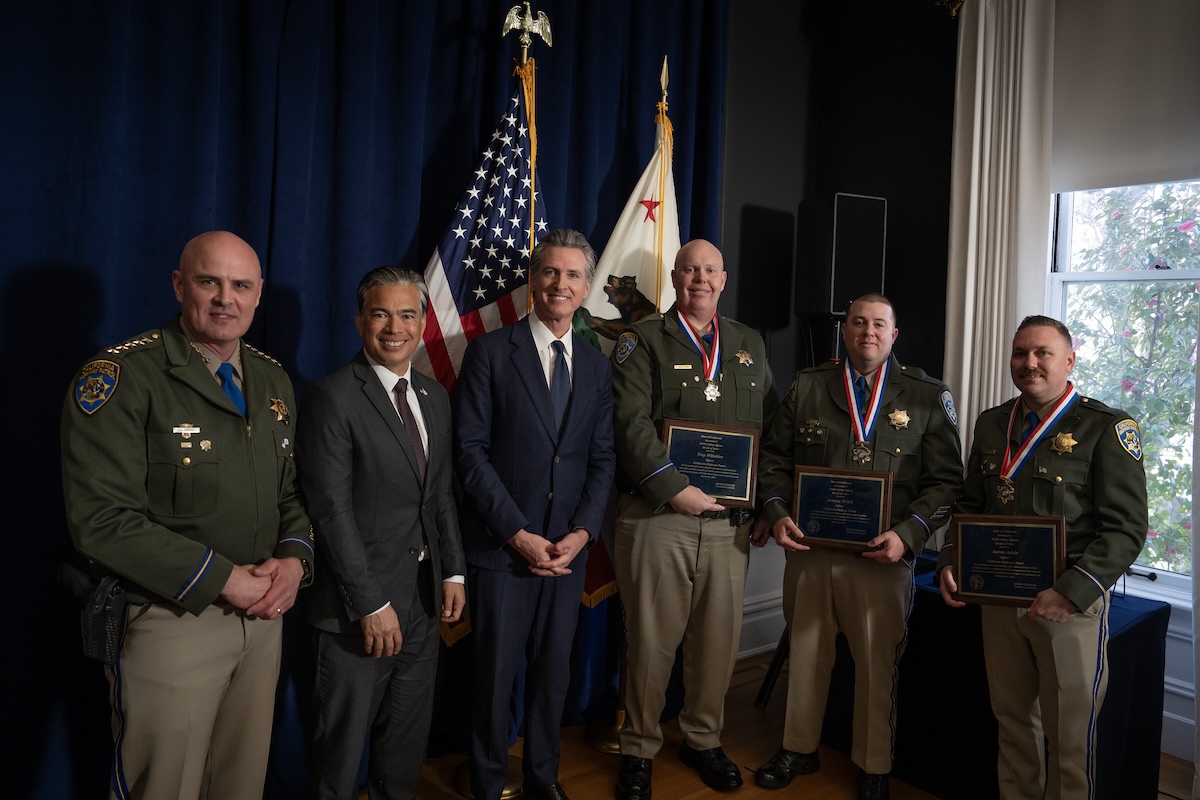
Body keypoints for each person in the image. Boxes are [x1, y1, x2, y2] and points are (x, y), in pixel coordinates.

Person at [60, 230, 315, 800]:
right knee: (165, 789)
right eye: (209, 282)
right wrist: (227, 581)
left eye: (240, 286)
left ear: (258, 295)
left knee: (240, 784)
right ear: (180, 286)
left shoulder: (272, 380)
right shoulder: (122, 378)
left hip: (263, 621)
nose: (226, 298)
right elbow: (101, 521)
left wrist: (295, 563)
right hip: (170, 619)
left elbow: (292, 493)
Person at [753, 293, 962, 800]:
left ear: (894, 335)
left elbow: (947, 483)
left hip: (881, 555)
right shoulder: (809, 386)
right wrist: (777, 513)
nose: (867, 331)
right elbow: (774, 457)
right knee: (806, 652)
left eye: (878, 324)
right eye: (857, 322)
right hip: (810, 550)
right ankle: (799, 748)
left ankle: (874, 765)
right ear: (844, 331)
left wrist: (909, 534)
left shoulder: (927, 395)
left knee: (876, 665)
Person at [937, 315, 1147, 800]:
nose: (1029, 363)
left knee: (1070, 738)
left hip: (1067, 607)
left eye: (1042, 353)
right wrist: (951, 559)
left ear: (1069, 360)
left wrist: (1070, 594)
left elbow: (1127, 530)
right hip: (996, 598)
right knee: (1012, 721)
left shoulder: (1107, 428)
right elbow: (971, 504)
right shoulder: (992, 423)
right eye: (1020, 353)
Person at [610, 238, 777, 799]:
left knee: (717, 644)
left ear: (723, 279)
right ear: (675, 278)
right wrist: (675, 490)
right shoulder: (642, 340)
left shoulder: (750, 343)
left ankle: (703, 739)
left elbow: (769, 435)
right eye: (689, 270)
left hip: (729, 526)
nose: (699, 279)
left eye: (709, 271)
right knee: (651, 644)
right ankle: (638, 748)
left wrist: (766, 503)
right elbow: (629, 426)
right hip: (660, 516)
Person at [454, 229, 616, 800]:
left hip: (567, 554)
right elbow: (469, 454)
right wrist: (517, 534)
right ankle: (488, 783)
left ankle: (543, 779)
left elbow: (602, 458)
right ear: (532, 279)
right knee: (495, 681)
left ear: (588, 287)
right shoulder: (491, 353)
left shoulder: (597, 367)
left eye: (573, 275)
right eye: (550, 272)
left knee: (553, 677)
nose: (560, 284)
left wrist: (582, 533)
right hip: (504, 551)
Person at [298, 268, 467, 799]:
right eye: (380, 313)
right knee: (341, 761)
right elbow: (330, 513)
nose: (394, 327)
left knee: (403, 753)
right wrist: (370, 603)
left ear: (422, 322)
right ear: (359, 321)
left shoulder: (434, 395)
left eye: (407, 314)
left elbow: (439, 494)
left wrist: (454, 570)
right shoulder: (332, 397)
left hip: (422, 600)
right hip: (359, 611)